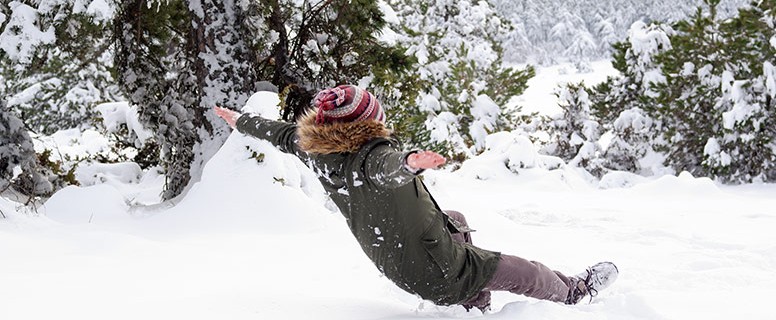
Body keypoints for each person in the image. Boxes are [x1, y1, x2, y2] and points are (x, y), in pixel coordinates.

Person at [214, 85, 618, 312]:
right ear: (365, 125)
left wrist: (241, 120)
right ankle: (575, 292)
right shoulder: (371, 158)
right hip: (439, 272)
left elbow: (279, 133)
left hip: (394, 261)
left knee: (454, 218)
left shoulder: (314, 150)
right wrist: (409, 163)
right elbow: (385, 169)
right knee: (525, 272)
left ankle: (474, 305)